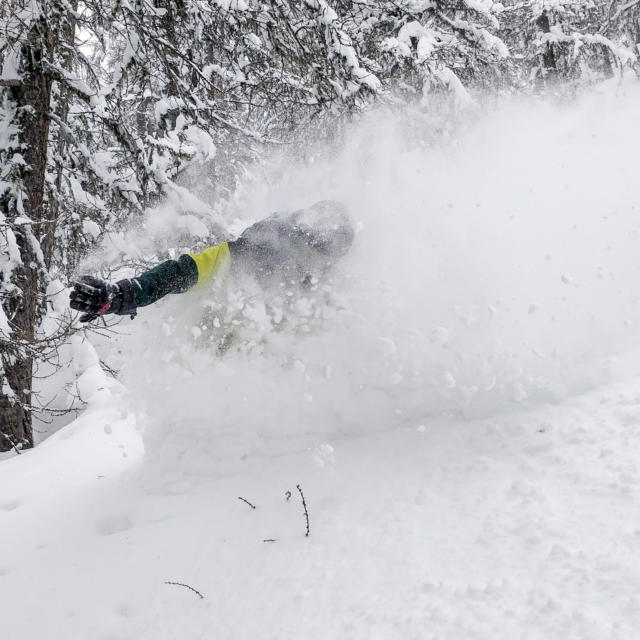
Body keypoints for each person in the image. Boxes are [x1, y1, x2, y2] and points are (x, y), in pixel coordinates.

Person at [69, 200, 354, 322]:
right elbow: (180, 272)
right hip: (220, 370)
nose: (312, 267)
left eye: (327, 257)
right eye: (312, 252)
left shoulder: (328, 287)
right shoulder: (250, 254)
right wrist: (122, 295)